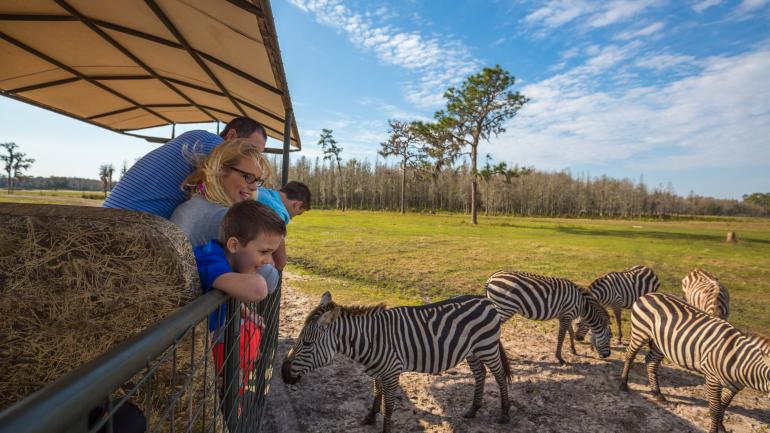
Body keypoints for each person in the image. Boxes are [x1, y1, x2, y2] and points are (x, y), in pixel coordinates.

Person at [193, 200, 286, 392]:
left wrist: (247, 314)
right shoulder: (211, 260)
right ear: (234, 245)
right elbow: (258, 290)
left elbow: (226, 289)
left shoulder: (225, 263)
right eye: (264, 252)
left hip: (200, 346)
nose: (269, 261)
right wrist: (260, 278)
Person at [169, 138, 281, 293]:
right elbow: (269, 282)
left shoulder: (186, 207)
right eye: (247, 177)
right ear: (221, 170)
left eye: (257, 180)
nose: (254, 187)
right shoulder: (224, 217)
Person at [104, 117, 267, 218]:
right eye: (250, 150)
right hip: (129, 224)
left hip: (113, 215)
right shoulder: (211, 144)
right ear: (231, 136)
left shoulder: (197, 138)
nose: (254, 159)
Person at [257, 181, 311, 270]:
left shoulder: (261, 190)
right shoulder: (277, 213)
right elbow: (280, 262)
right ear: (297, 204)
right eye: (298, 213)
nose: (292, 217)